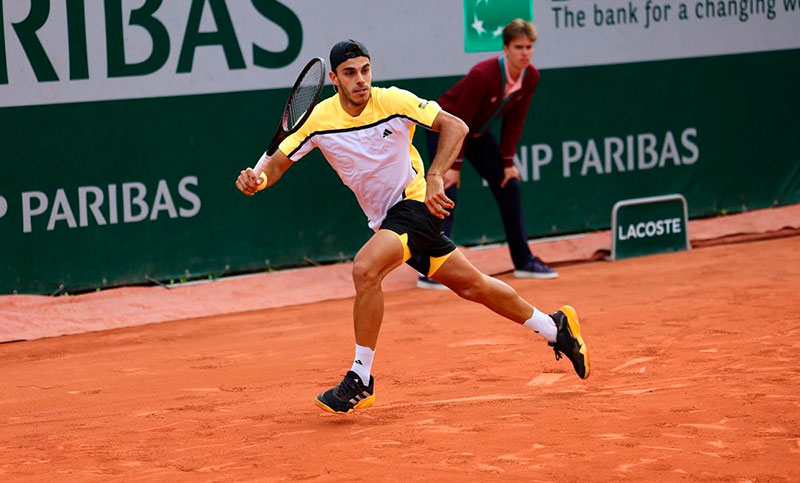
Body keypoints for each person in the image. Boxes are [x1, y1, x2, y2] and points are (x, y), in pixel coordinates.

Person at [235, 39, 589, 415]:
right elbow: (275, 165)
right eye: (351, 73)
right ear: (335, 80)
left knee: (365, 269)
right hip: (386, 219)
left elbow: (455, 125)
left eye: (366, 70)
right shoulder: (319, 119)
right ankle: (555, 327)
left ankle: (360, 379)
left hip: (417, 203)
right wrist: (258, 181)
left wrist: (436, 175)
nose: (361, 80)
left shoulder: (392, 101)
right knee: (473, 285)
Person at [417, 19, 556, 290]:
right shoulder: (483, 74)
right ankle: (433, 268)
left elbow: (516, 120)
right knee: (446, 190)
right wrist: (454, 166)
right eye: (519, 47)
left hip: (477, 134)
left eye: (529, 47)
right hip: (445, 128)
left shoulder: (531, 76)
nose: (525, 53)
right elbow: (459, 120)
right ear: (506, 48)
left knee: (509, 184)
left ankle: (524, 261)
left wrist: (507, 162)